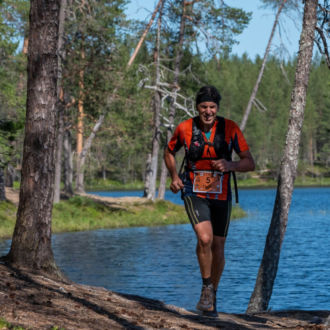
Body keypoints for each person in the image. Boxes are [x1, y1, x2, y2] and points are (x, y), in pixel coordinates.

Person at [164, 85, 255, 316]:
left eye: (212, 107)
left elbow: (249, 162)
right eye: (203, 106)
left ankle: (211, 294)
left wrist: (230, 165)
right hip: (194, 191)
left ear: (217, 108)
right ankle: (206, 287)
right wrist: (174, 176)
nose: (208, 111)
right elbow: (169, 152)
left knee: (218, 246)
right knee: (204, 238)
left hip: (221, 194)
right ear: (197, 107)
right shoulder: (185, 128)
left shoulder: (230, 128)